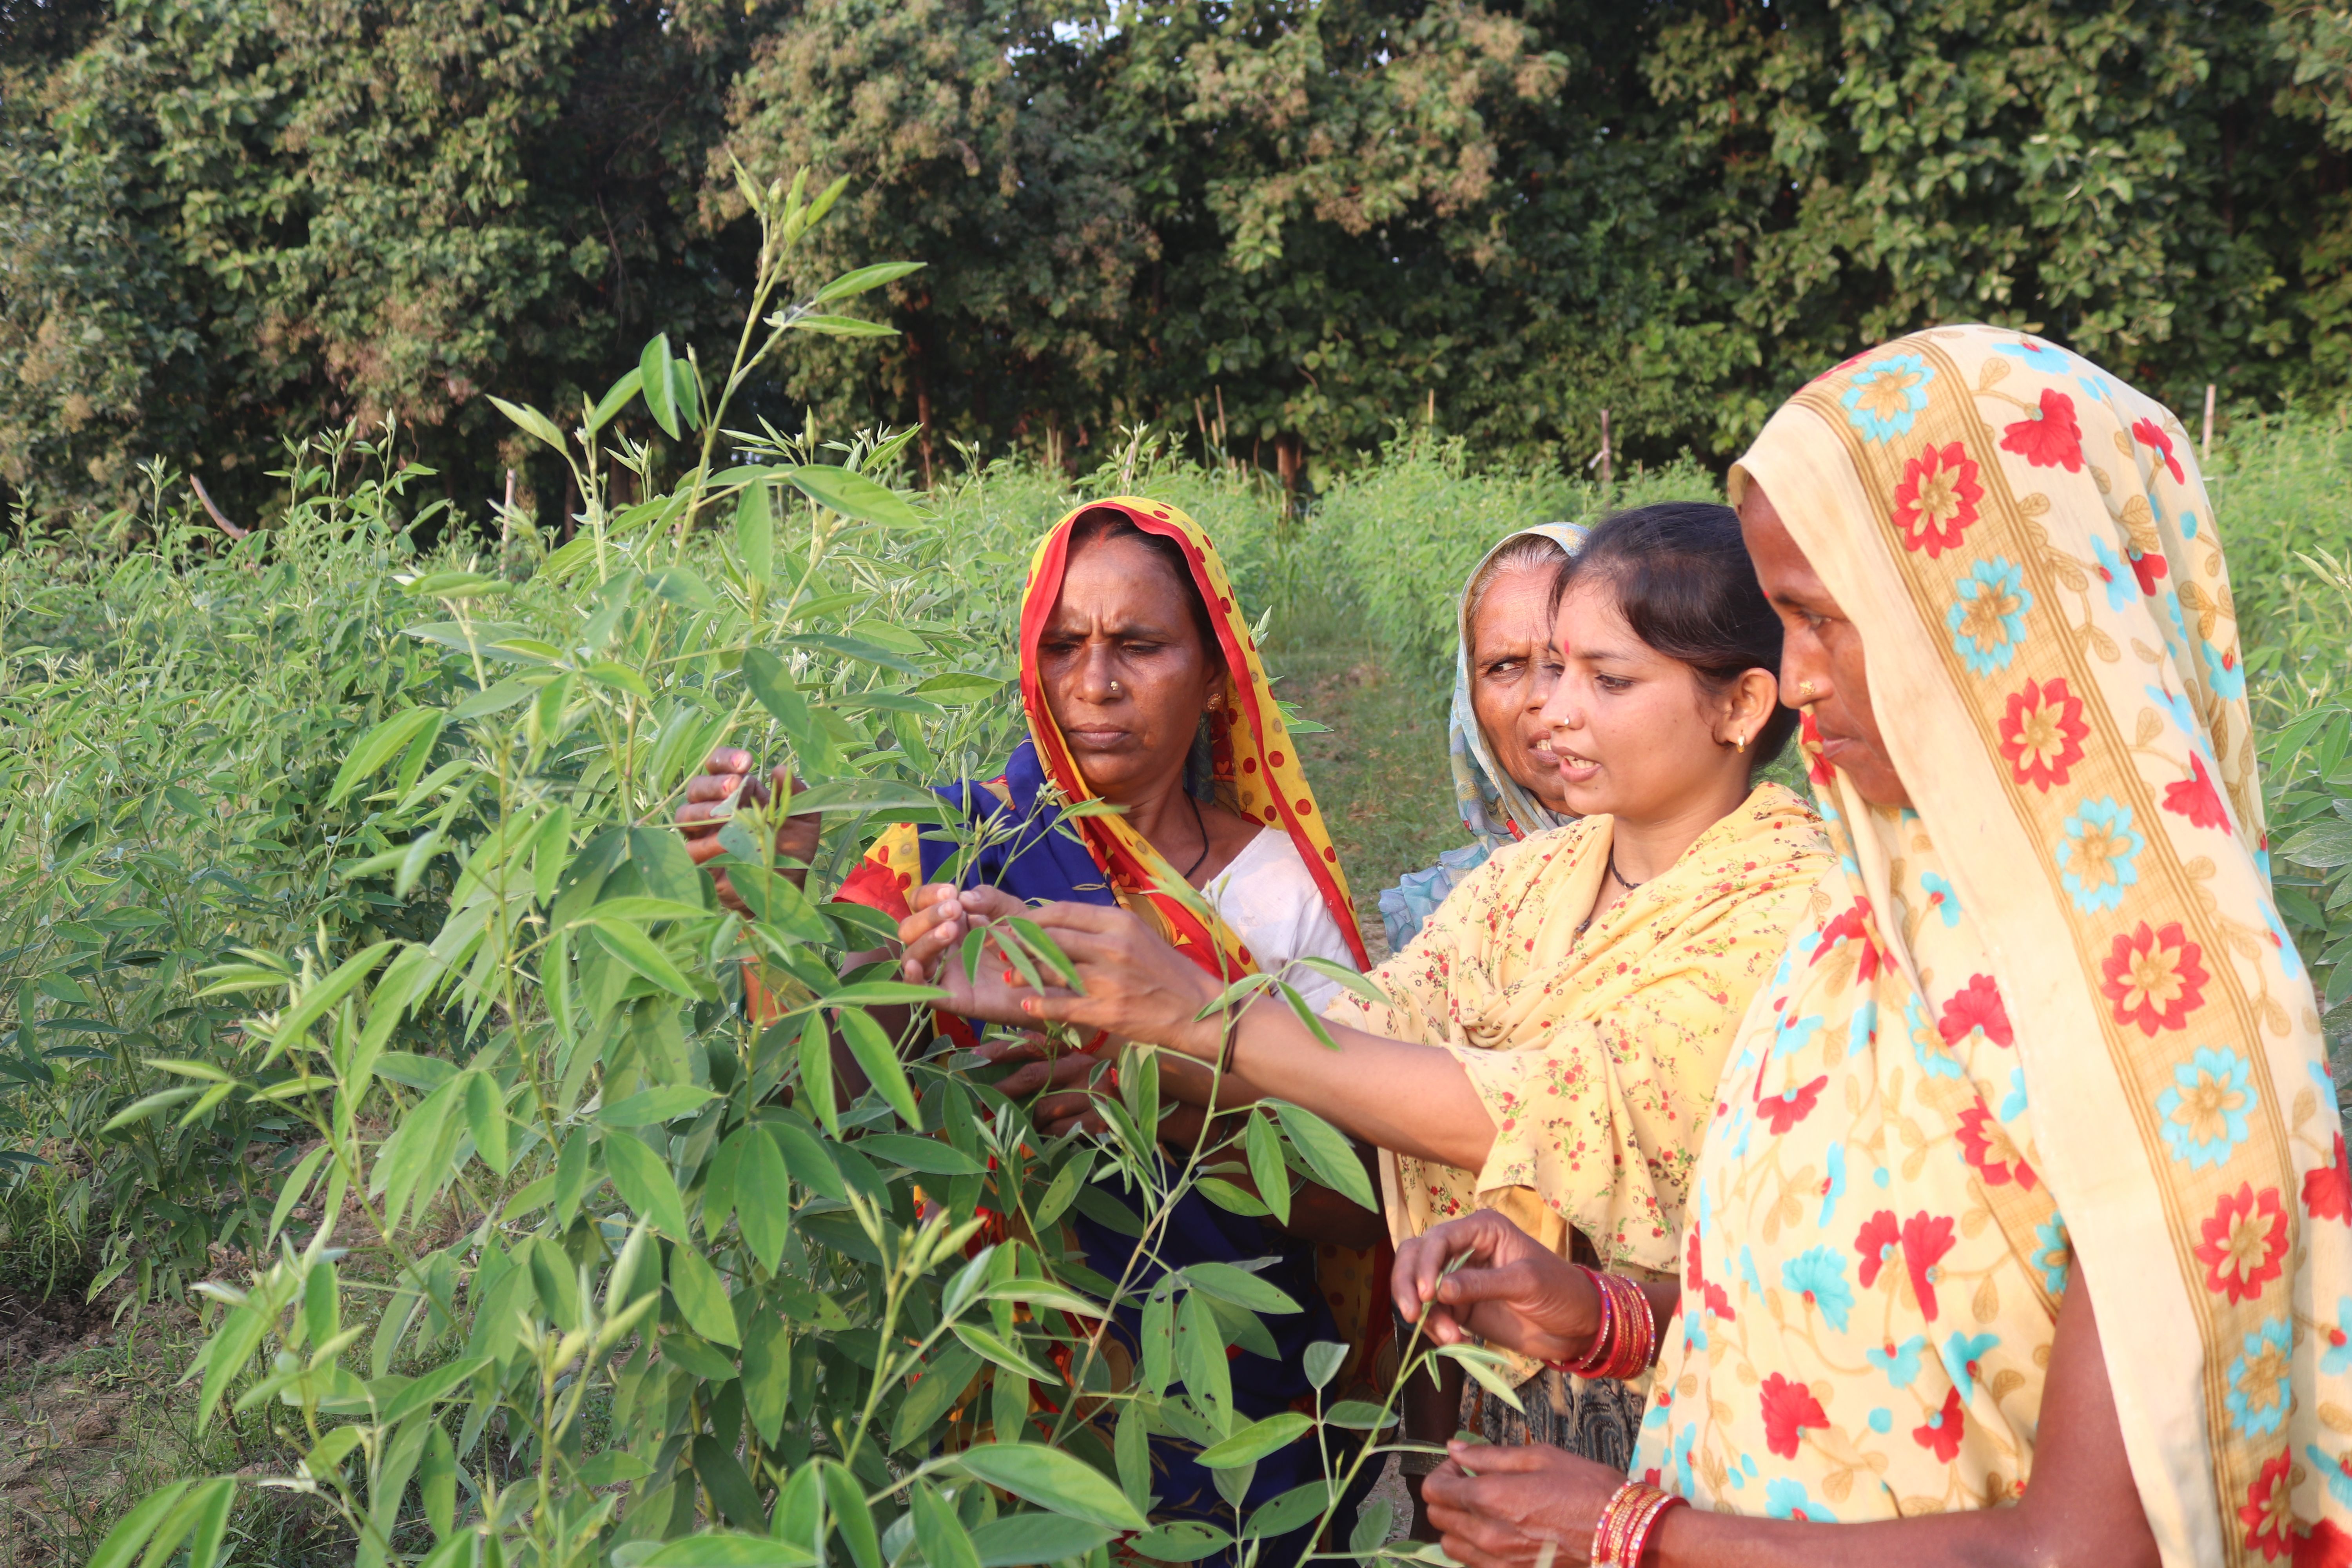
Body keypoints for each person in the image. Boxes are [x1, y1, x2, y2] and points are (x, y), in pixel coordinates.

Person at [1384, 323, 2352, 1567]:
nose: (1788, 682)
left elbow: (2082, 1549)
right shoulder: (1867, 933)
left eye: (1819, 620)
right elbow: (1850, 1327)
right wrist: (1602, 1317)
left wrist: (1631, 1529)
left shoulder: (2168, 1016)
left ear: (2001, 612)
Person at [898, 501, 1836, 1481]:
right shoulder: (1528, 879)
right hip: (1490, 1414)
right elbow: (1351, 1036)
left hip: (1686, 1420)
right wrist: (1121, 1057)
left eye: (1605, 679)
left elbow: (1546, 1108)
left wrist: (1192, 1013)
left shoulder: (1787, 907)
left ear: (1740, 705)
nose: (1551, 710)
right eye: (1545, 669)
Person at [678, 496, 1381, 1557]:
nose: (1095, 685)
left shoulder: (1273, 892)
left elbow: (1361, 1199)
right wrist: (773, 902)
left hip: (1230, 1416)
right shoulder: (950, 847)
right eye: (1064, 646)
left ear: (1214, 671)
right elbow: (818, 1101)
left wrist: (1150, 1101)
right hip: (992, 1398)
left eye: (1139, 646)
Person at [1380, 524, 1587, 953]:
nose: (1545, 698)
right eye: (1505, 666)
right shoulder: (1436, 918)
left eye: (1568, 657)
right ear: (1468, 703)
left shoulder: (1731, 875)